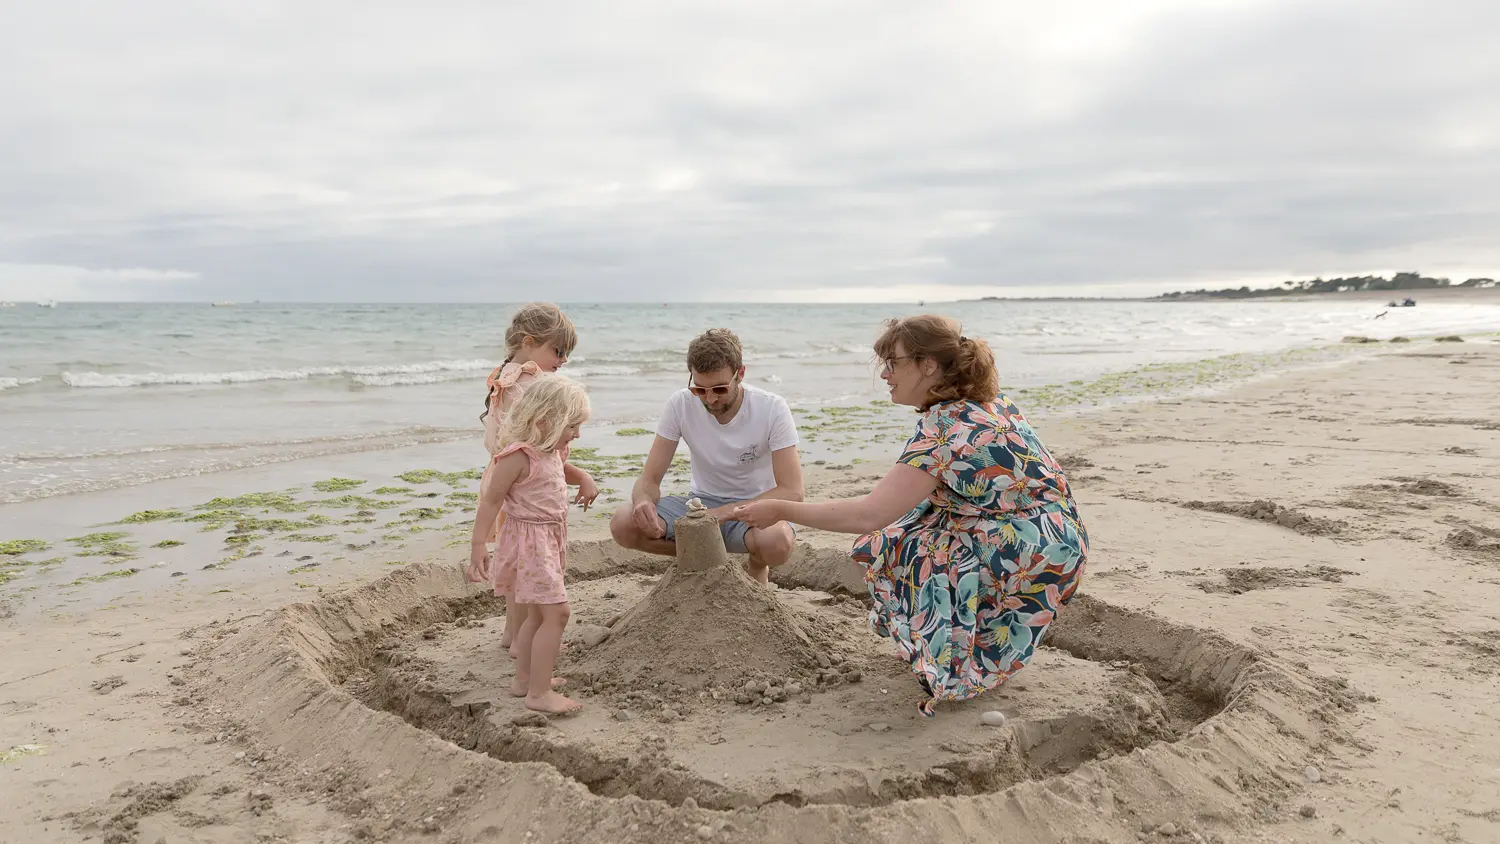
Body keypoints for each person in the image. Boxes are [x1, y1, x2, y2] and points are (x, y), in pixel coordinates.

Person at [735, 315, 1088, 715]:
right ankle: (962, 652)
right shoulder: (988, 402)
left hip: (1029, 549)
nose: (886, 375)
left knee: (909, 547)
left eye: (894, 363)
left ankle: (954, 666)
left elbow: (867, 514)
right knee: (910, 527)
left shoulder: (943, 427)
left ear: (928, 366)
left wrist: (780, 509)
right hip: (1061, 535)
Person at [610, 328, 803, 584]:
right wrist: (643, 500)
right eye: (700, 390)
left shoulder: (771, 408)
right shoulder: (679, 404)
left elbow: (792, 491)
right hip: (700, 505)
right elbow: (650, 478)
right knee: (624, 523)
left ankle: (757, 565)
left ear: (740, 374)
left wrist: (724, 513)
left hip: (756, 507)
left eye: (719, 389)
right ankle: (705, 557)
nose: (710, 399)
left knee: (777, 542)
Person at [468, 302, 599, 656]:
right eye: (558, 350)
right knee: (527, 564)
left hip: (508, 479)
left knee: (516, 562)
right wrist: (580, 474)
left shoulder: (506, 375)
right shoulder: (526, 383)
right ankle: (525, 639)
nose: (564, 360)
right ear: (529, 341)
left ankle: (515, 633)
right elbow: (535, 454)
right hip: (522, 488)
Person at [468, 373, 591, 714]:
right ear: (545, 420)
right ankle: (539, 694)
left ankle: (524, 680)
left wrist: (585, 478)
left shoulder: (550, 451)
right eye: (572, 426)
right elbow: (490, 501)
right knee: (558, 613)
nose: (577, 434)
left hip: (548, 540)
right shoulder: (516, 457)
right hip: (529, 544)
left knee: (536, 615)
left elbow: (561, 471)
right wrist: (479, 546)